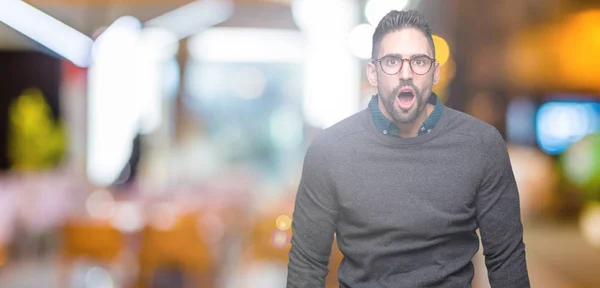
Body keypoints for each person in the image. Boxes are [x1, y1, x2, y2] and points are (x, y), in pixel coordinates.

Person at [286, 10, 530, 288]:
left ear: (436, 72)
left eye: (419, 61)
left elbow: (506, 260)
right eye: (391, 61)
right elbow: (307, 264)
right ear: (373, 72)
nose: (405, 74)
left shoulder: (481, 146)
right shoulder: (330, 151)